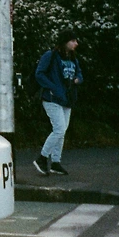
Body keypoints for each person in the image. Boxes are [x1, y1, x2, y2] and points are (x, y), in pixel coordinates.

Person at [34, 29, 83, 177]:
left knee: (62, 131)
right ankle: (42, 158)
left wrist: (78, 79)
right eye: (73, 40)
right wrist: (53, 87)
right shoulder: (51, 55)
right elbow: (39, 73)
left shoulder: (73, 57)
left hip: (67, 99)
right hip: (52, 98)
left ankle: (56, 162)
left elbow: (79, 73)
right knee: (59, 129)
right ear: (65, 42)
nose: (76, 43)